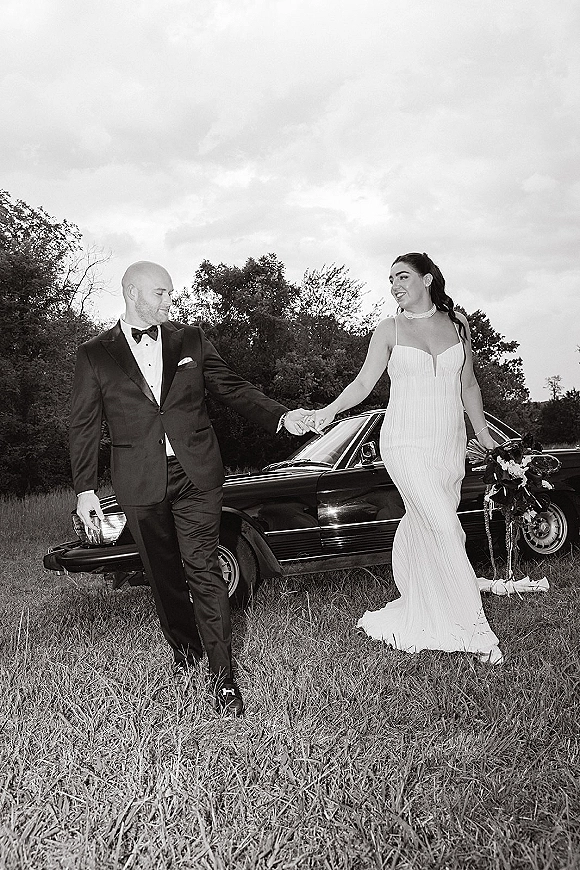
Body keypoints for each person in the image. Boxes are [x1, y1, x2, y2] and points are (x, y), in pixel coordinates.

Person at [70, 261, 314, 717]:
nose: (170, 300)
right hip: (139, 480)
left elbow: (233, 388)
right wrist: (85, 489)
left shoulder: (191, 340)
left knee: (203, 567)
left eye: (170, 293)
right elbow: (83, 425)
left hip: (196, 474)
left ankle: (223, 678)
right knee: (163, 576)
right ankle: (185, 653)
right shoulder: (94, 354)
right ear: (132, 293)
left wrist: (281, 416)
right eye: (160, 293)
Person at [313, 252, 503, 665]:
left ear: (427, 279)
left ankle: (428, 594)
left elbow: (469, 385)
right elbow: (363, 382)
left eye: (402, 277)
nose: (395, 286)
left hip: (447, 443)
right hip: (403, 442)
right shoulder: (388, 329)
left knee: (429, 521)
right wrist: (329, 411)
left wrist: (484, 435)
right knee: (445, 527)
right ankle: (474, 629)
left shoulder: (458, 324)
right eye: (391, 280)